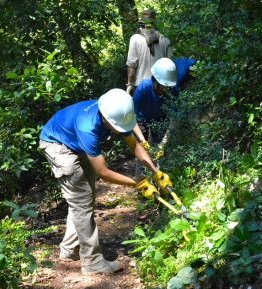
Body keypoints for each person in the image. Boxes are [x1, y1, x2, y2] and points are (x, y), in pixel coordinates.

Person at [39, 88, 173, 275]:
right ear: (106, 120)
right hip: (57, 144)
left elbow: (134, 145)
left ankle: (70, 249)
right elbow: (103, 172)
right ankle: (91, 261)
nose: (121, 131)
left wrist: (155, 171)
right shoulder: (88, 128)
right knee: (81, 200)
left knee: (85, 199)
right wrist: (137, 184)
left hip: (73, 142)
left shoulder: (115, 112)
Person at [132, 57, 177, 179]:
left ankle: (161, 184)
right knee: (141, 152)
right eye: (162, 86)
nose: (164, 90)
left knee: (161, 155)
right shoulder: (142, 88)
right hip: (141, 120)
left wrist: (163, 143)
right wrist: (143, 142)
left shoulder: (173, 91)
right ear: (154, 80)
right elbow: (132, 119)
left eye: (167, 87)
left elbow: (173, 119)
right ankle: (143, 187)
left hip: (161, 120)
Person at [126, 10, 172, 96]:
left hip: (140, 86)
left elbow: (132, 65)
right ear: (155, 24)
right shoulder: (166, 40)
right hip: (160, 86)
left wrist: (130, 85)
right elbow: (170, 65)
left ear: (142, 24)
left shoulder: (135, 39)